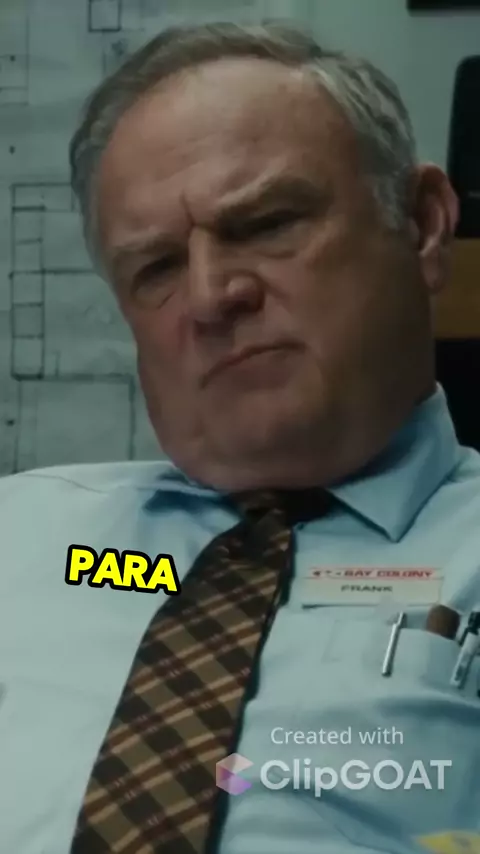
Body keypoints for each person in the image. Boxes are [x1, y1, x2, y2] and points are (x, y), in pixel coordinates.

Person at [1, 21, 479, 854]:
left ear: (422, 224)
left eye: (265, 223)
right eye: (156, 268)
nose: (211, 294)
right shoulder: (28, 533)